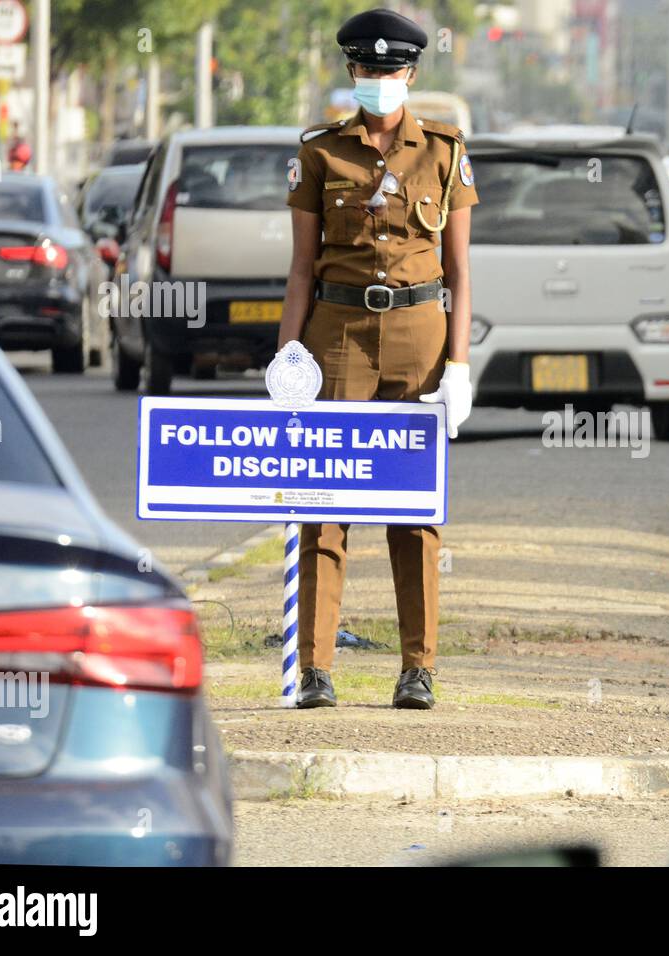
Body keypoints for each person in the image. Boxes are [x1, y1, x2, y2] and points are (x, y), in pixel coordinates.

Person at [276, 7, 478, 710]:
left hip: (419, 333)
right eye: (366, 69)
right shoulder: (321, 151)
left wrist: (458, 364)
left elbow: (460, 271)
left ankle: (417, 668)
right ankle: (315, 667)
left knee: (414, 510)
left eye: (390, 71)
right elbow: (301, 268)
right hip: (337, 332)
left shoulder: (446, 151)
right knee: (324, 504)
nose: (378, 80)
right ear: (351, 72)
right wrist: (287, 355)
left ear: (411, 74)